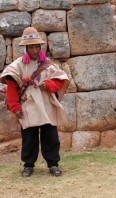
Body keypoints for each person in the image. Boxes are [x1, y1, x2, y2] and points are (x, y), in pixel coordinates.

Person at [0, 27, 69, 177]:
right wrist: (15, 107)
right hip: (28, 105)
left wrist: (48, 85)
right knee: (29, 137)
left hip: (46, 105)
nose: (34, 50)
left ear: (40, 47)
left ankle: (53, 164)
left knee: (50, 135)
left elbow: (60, 82)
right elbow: (11, 87)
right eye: (31, 47)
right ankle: (28, 165)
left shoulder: (48, 65)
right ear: (26, 48)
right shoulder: (17, 66)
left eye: (37, 47)